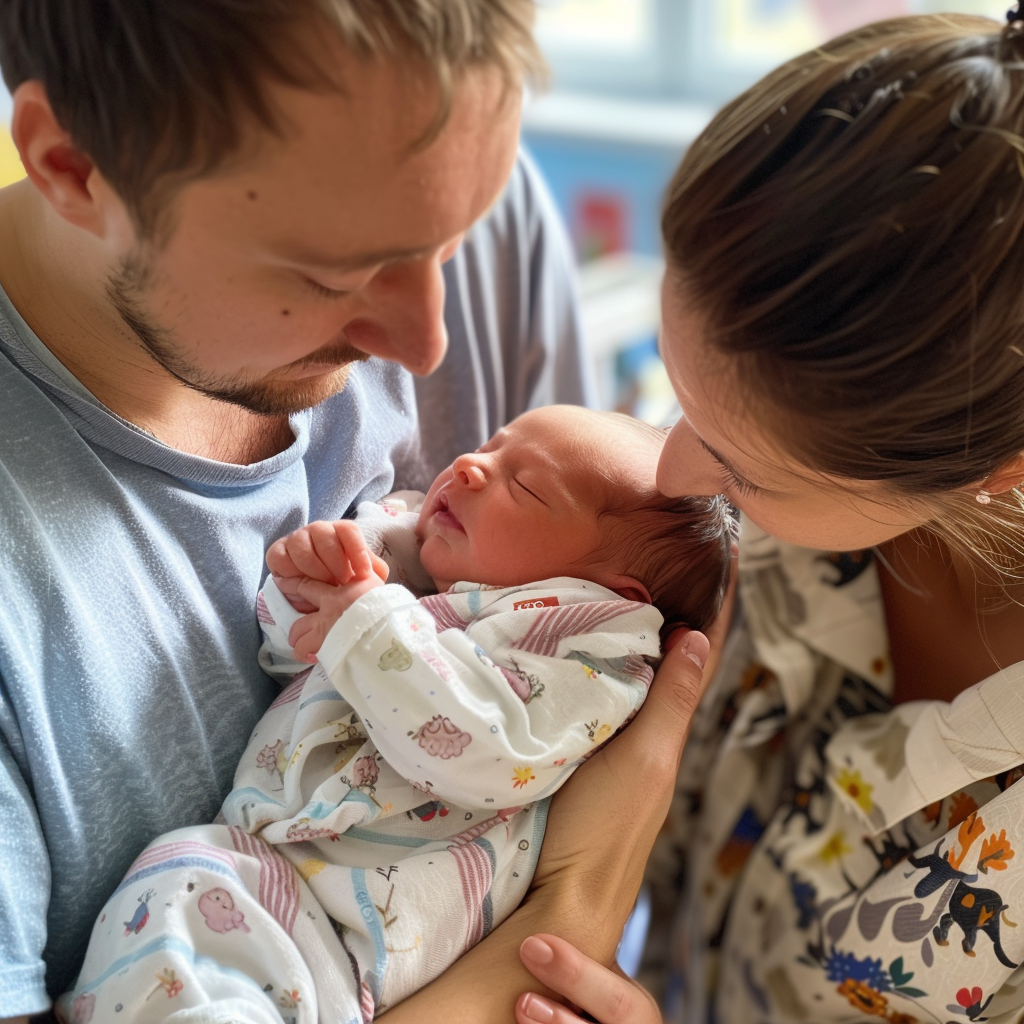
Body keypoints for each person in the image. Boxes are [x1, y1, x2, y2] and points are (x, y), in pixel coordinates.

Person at [0, 4, 718, 1022]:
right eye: (334, 273)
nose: (429, 345)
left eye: (451, 237)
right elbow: (583, 887)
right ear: (72, 168)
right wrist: (557, 923)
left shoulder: (461, 200)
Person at [513, 10, 1024, 1024]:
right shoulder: (795, 531)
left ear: (991, 469)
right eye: (677, 397)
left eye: (742, 468)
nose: (670, 465)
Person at [58, 404, 733, 1023]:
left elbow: (485, 741)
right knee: (183, 908)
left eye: (526, 487)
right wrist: (317, 587)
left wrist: (366, 620)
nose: (472, 466)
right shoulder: (429, 592)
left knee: (189, 914)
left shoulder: (594, 648)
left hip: (361, 930)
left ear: (609, 592)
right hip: (292, 887)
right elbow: (310, 671)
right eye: (491, 446)